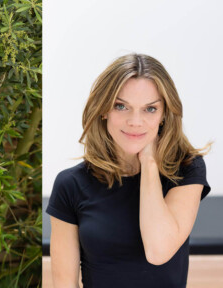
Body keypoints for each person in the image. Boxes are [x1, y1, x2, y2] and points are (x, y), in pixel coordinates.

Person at [47, 54, 210, 288]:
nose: (135, 121)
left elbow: (158, 250)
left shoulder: (186, 170)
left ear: (164, 115)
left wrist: (149, 163)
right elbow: (64, 284)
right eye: (121, 106)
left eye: (150, 109)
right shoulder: (70, 185)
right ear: (104, 110)